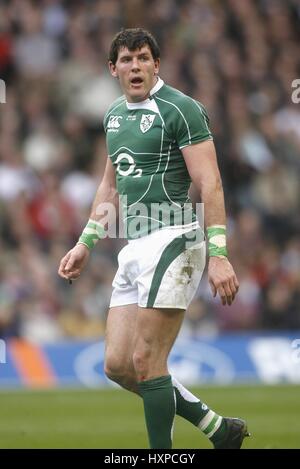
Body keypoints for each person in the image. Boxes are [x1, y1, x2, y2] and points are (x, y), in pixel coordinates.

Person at [58, 28, 250, 449]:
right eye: (126, 60)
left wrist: (219, 254)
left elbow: (210, 181)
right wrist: (85, 243)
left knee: (147, 362)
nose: (135, 66)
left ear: (156, 64)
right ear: (113, 69)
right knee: (118, 366)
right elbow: (110, 185)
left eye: (143, 58)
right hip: (134, 246)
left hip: (175, 238)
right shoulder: (113, 116)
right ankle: (219, 429)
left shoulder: (181, 109)